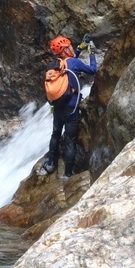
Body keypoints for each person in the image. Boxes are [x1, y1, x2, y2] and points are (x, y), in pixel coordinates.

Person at [41, 34, 97, 179]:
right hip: (71, 109)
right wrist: (91, 53)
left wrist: (79, 49)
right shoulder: (74, 63)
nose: (72, 48)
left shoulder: (55, 65)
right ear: (65, 50)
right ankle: (67, 175)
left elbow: (71, 62)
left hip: (58, 107)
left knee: (55, 135)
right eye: (70, 47)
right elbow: (92, 70)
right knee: (70, 141)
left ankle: (50, 164)